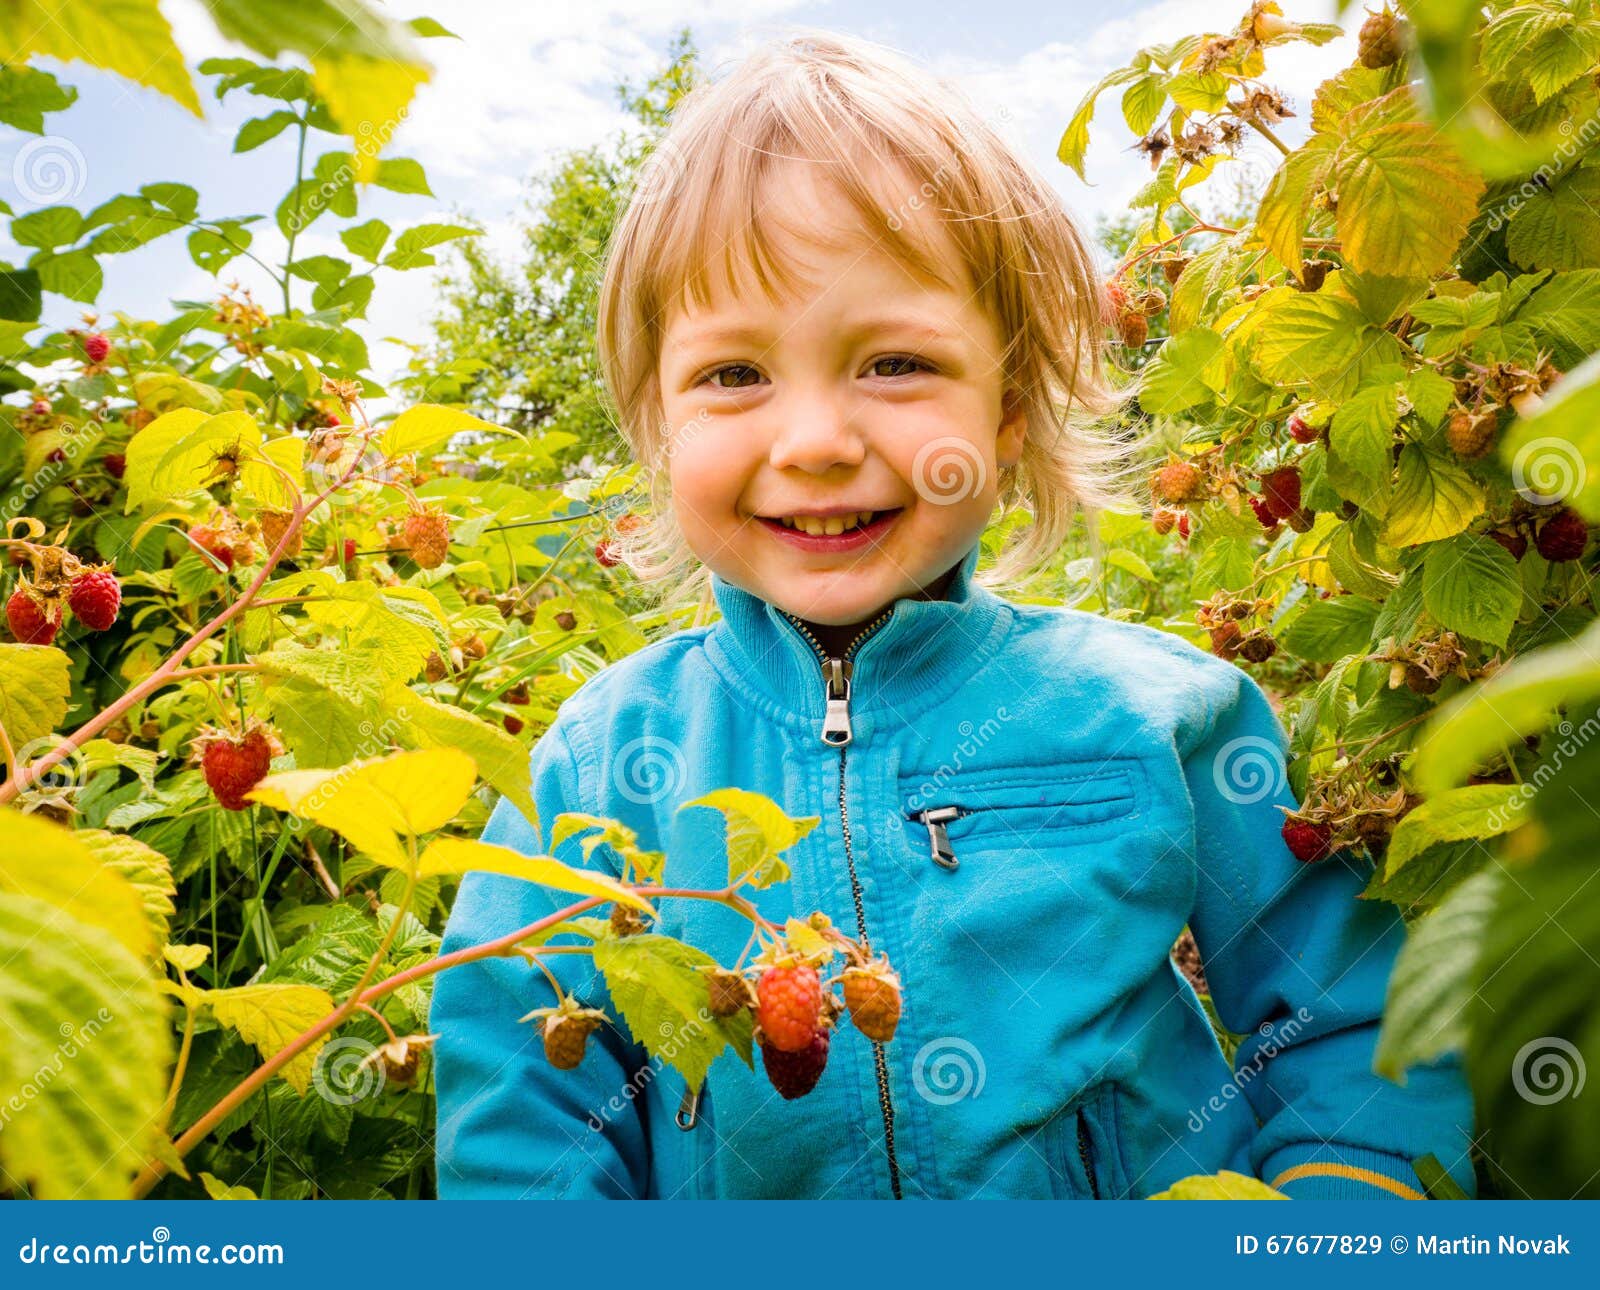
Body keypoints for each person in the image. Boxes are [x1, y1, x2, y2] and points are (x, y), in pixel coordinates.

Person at [430, 28, 1475, 1200]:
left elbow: (1351, 1023)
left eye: (894, 365)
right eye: (733, 375)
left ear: (1008, 412)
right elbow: (524, 1108)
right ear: (660, 420)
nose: (817, 442)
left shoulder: (1163, 717)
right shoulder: (599, 762)